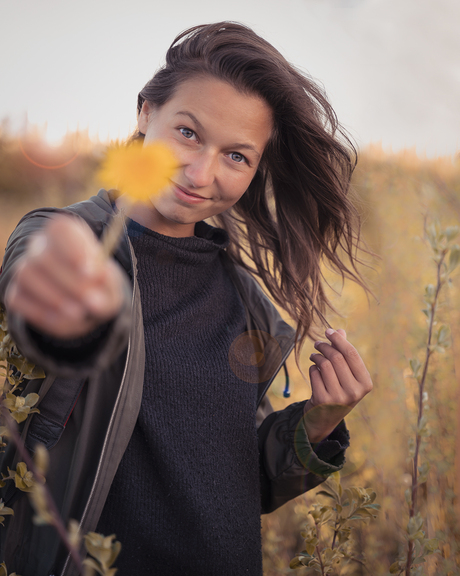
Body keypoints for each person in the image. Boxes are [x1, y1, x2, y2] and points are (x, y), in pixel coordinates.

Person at [0, 22, 373, 576]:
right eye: (189, 133)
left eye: (237, 157)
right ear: (146, 113)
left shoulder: (246, 304)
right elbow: (37, 294)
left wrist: (318, 423)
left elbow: (240, 481)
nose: (202, 174)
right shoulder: (66, 240)